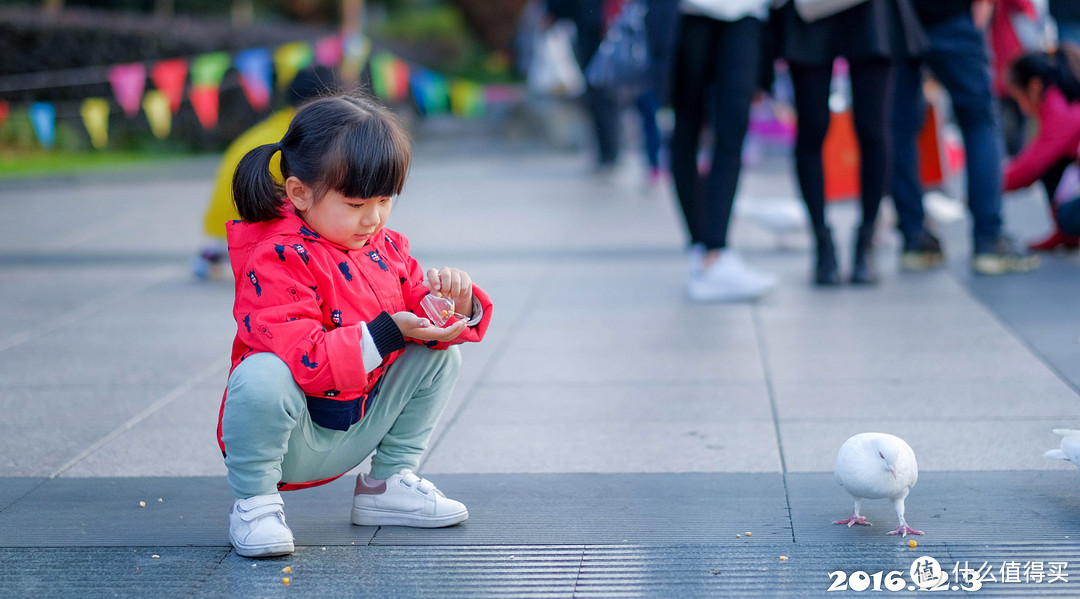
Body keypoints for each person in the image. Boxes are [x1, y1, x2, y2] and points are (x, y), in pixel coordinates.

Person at [217, 94, 494, 558]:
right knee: (261, 376)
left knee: (439, 356)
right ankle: (255, 504)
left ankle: (386, 486)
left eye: (385, 200)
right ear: (300, 193)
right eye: (356, 203)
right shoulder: (278, 256)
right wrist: (390, 331)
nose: (374, 218)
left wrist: (453, 306)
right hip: (291, 439)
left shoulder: (383, 245)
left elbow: (418, 309)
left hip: (360, 415)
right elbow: (305, 359)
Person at [771, 0, 927, 285]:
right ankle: (822, 244)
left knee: (873, 128)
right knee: (812, 127)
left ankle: (866, 241)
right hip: (810, 10)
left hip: (871, 11)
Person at [891, 0, 1038, 276]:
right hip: (952, 13)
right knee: (979, 119)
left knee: (900, 128)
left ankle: (913, 239)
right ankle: (988, 240)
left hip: (898, 15)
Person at [669, 0, 778, 301]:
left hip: (745, 11)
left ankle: (715, 250)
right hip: (690, 11)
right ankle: (699, 247)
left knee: (734, 126)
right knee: (686, 124)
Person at [192, 67, 337, 278]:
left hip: (223, 226)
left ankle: (217, 253)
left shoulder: (274, 125)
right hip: (251, 228)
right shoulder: (304, 133)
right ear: (318, 102)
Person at [1002, 44, 1080, 250]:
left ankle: (1067, 228)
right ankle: (1065, 234)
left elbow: (1030, 167)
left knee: (1068, 216)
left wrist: (986, 186)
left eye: (1018, 97)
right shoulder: (1064, 98)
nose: (1021, 107)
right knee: (1055, 166)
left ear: (1034, 87)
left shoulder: (1060, 108)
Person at [545, 0, 621, 171]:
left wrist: (552, 13)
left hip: (598, 30)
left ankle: (608, 151)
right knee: (599, 95)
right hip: (596, 28)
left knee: (600, 94)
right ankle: (607, 151)